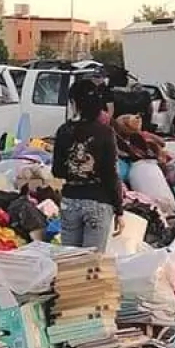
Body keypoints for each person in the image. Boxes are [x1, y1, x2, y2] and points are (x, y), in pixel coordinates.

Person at [53, 78, 124, 252]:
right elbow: (110, 174)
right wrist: (119, 210)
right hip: (98, 202)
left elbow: (57, 171)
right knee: (91, 263)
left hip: (70, 201)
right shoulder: (105, 132)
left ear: (74, 103)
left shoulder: (64, 131)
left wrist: (74, 171)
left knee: (69, 263)